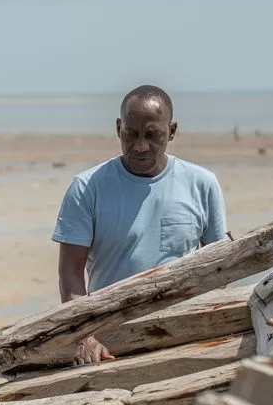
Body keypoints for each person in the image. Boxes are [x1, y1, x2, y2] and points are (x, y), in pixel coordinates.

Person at [53, 85, 228, 365]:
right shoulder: (87, 187)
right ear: (118, 127)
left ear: (171, 131)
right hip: (109, 339)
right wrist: (85, 334)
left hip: (185, 334)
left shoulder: (202, 184)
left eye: (152, 135)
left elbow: (219, 267)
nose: (141, 146)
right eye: (131, 134)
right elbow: (70, 273)